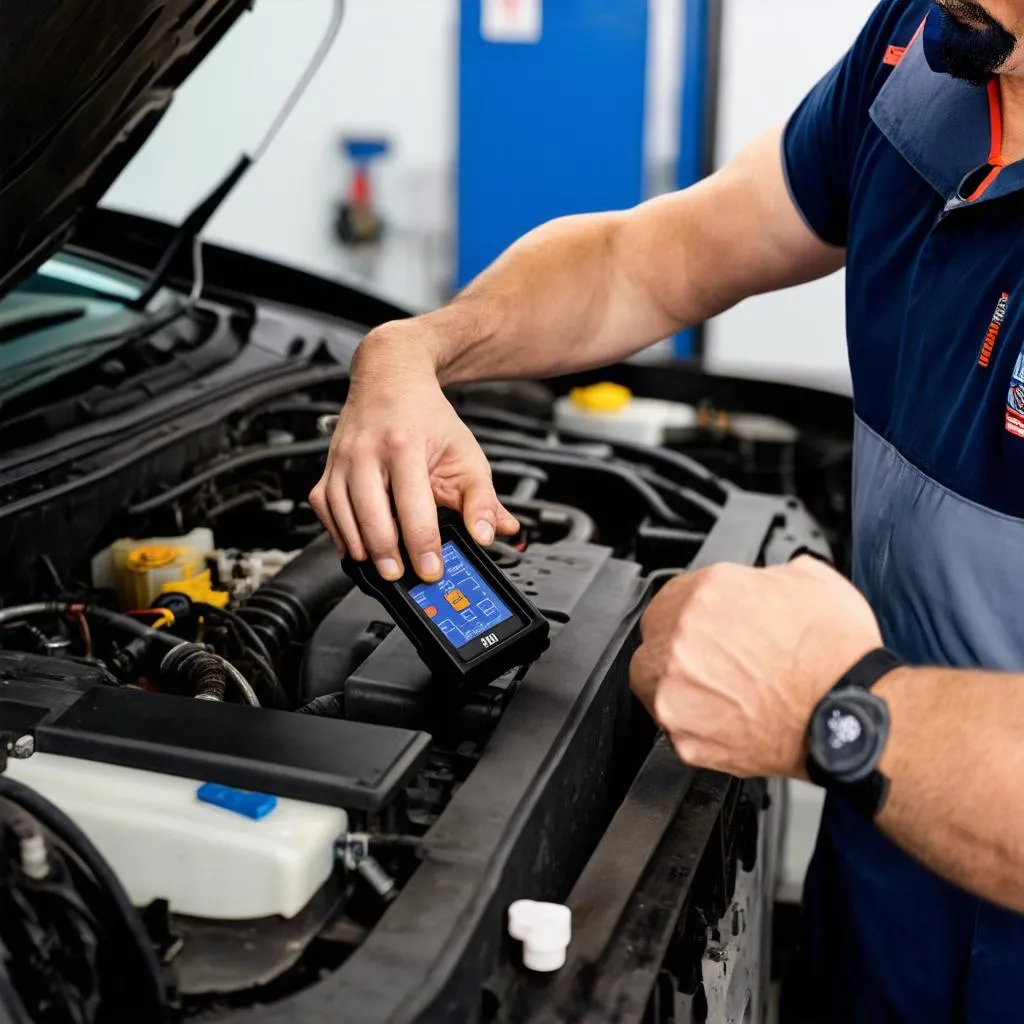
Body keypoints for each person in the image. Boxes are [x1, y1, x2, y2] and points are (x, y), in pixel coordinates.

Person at [310, 1, 1024, 1018]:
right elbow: (650, 257)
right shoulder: (921, 47)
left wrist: (843, 709)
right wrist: (421, 348)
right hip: (881, 885)